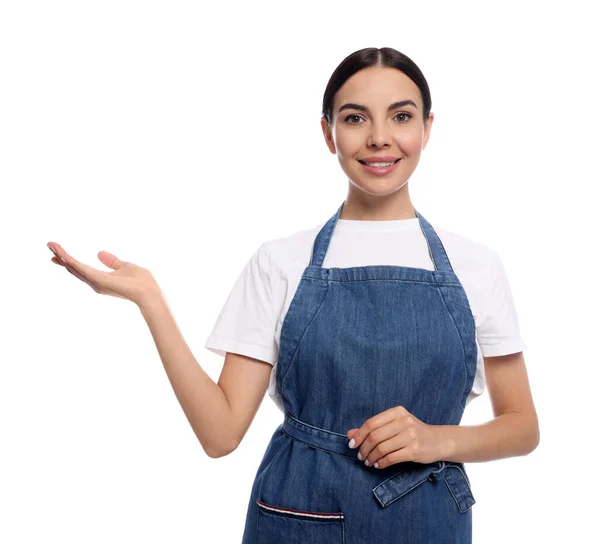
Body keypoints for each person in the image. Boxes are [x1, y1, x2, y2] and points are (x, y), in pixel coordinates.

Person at [46, 47, 539, 543]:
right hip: (298, 516)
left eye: (401, 116)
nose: (379, 138)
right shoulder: (280, 262)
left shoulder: (477, 266)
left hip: (429, 520)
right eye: (354, 118)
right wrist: (150, 299)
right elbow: (219, 435)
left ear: (427, 128)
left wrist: (436, 439)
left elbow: (522, 426)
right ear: (328, 133)